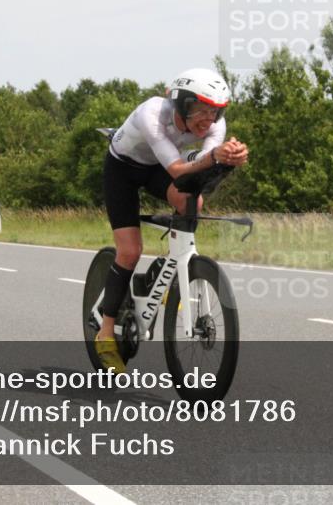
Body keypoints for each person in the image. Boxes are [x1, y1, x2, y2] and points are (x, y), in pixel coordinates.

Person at [96, 68, 249, 373]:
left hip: (157, 166)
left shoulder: (215, 125)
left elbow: (201, 167)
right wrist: (214, 156)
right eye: (201, 110)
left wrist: (227, 160)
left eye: (216, 111)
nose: (209, 119)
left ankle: (172, 265)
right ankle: (105, 331)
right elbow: (179, 169)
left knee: (193, 200)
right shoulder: (152, 114)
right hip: (123, 169)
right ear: (181, 104)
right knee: (130, 251)